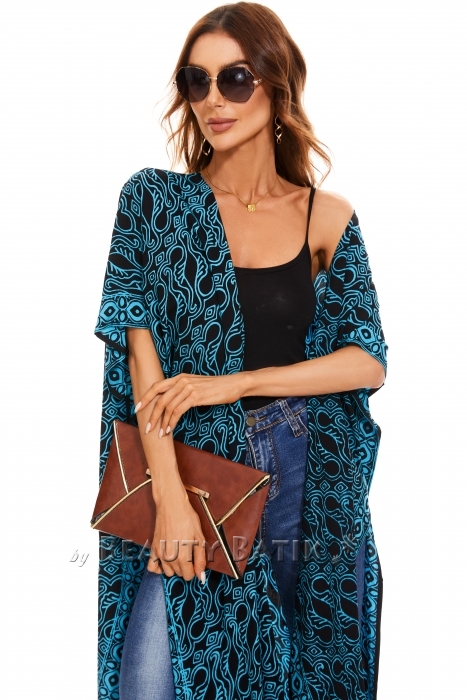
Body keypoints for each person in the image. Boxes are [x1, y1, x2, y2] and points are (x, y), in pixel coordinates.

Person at [94, 3, 388, 699]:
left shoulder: (324, 216)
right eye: (196, 81)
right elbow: (141, 358)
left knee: (299, 670)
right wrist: (169, 498)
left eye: (234, 78)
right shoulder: (153, 202)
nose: (212, 100)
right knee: (149, 679)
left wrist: (233, 382)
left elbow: (367, 360)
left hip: (303, 463)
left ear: (276, 85)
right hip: (194, 461)